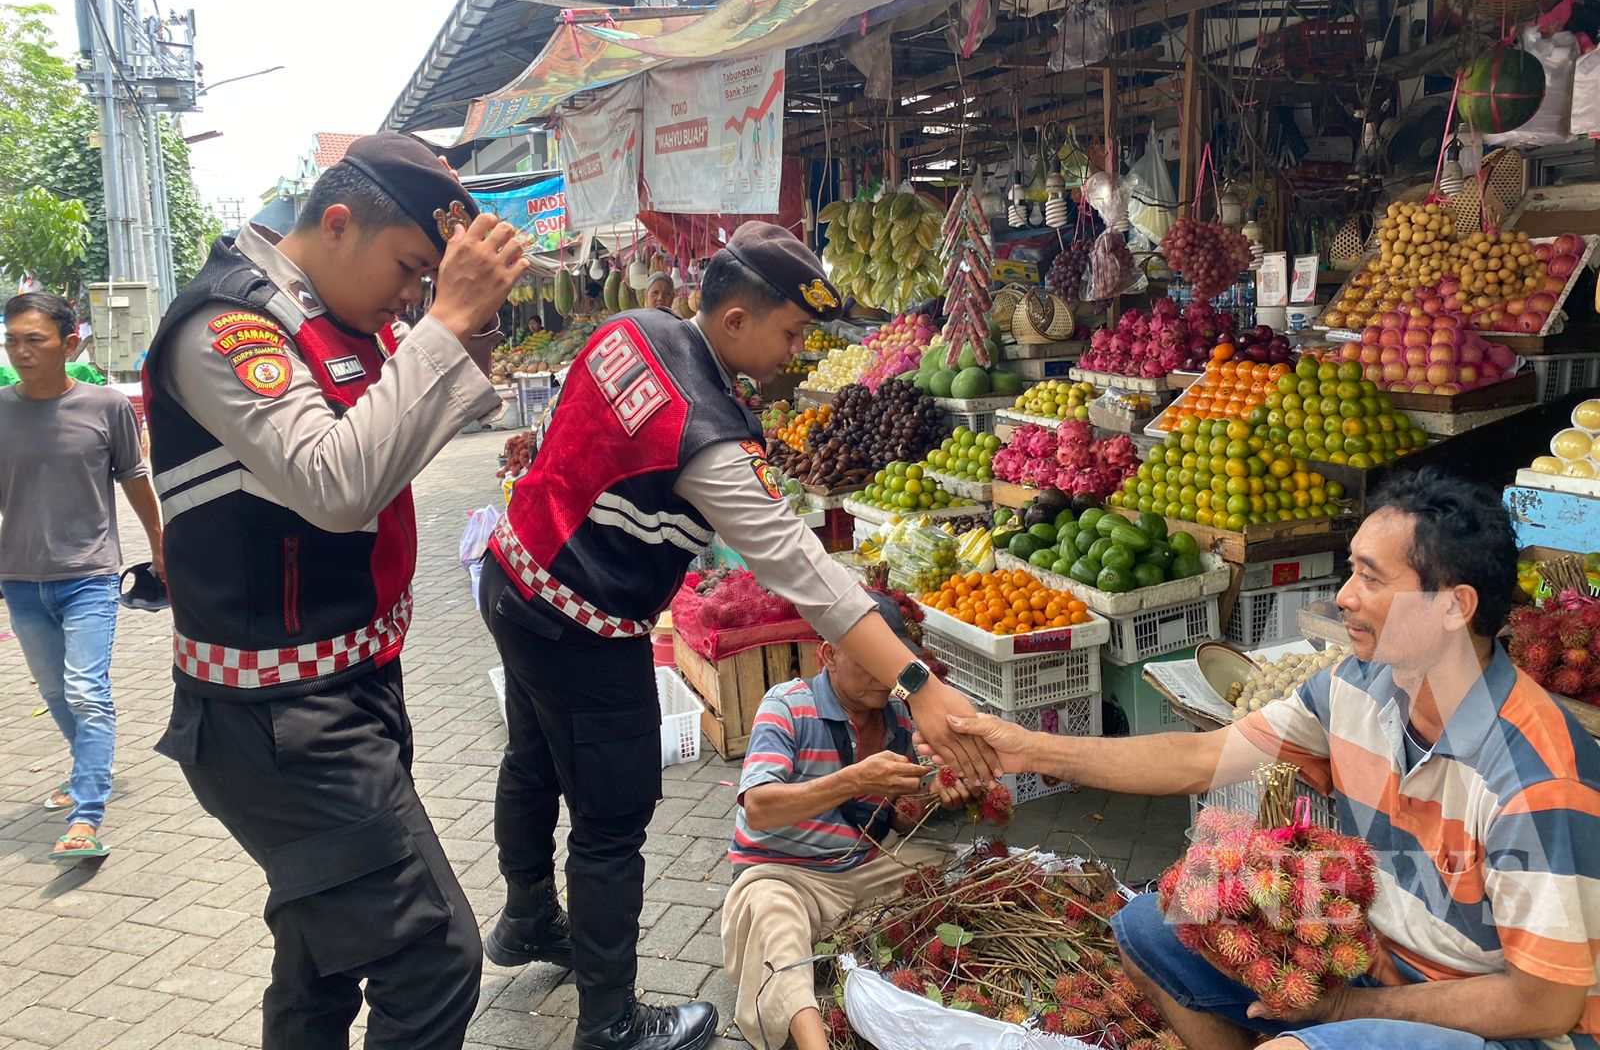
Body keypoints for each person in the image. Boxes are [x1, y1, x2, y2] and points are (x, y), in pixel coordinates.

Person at [479, 220, 997, 1050]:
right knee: (613, 818)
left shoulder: (632, 330)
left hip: (512, 577)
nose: (796, 350)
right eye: (791, 332)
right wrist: (918, 683)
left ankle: (527, 916)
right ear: (734, 322)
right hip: (584, 623)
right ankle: (609, 1021)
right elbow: (804, 568)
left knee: (534, 757)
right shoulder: (707, 431)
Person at [942, 469, 1600, 1050]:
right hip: (1383, 960)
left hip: (1506, 1026)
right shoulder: (1356, 688)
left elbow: (1542, 1002)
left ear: (1454, 607)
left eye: (1370, 577)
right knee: (1152, 924)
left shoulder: (1538, 780)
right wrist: (1025, 748)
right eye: (1351, 570)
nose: (1342, 596)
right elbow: (1199, 759)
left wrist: (1347, 1009)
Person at [144, 133, 528, 1050]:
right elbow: (336, 483)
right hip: (279, 722)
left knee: (322, 956)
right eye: (409, 268)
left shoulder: (336, 321)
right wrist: (441, 329)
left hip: (343, 695)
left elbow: (391, 447)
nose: (413, 295)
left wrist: (445, 336)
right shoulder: (227, 326)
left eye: (427, 279)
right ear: (340, 222)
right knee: (432, 958)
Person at [720, 593, 972, 1050]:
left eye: (889, 661)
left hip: (862, 866)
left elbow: (892, 814)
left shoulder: (898, 716)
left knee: (958, 873)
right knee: (773, 915)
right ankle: (813, 1040)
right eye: (867, 659)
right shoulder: (787, 705)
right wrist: (852, 779)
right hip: (783, 872)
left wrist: (937, 796)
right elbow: (757, 806)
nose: (883, 674)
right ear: (828, 655)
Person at [0, 291, 163, 861]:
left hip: (89, 575)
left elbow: (135, 479)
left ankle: (85, 816)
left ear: (70, 343)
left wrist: (162, 547)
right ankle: (88, 769)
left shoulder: (106, 407)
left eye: (34, 340)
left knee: (85, 690)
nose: (21, 351)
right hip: (18, 579)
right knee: (55, 692)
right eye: (12, 339)